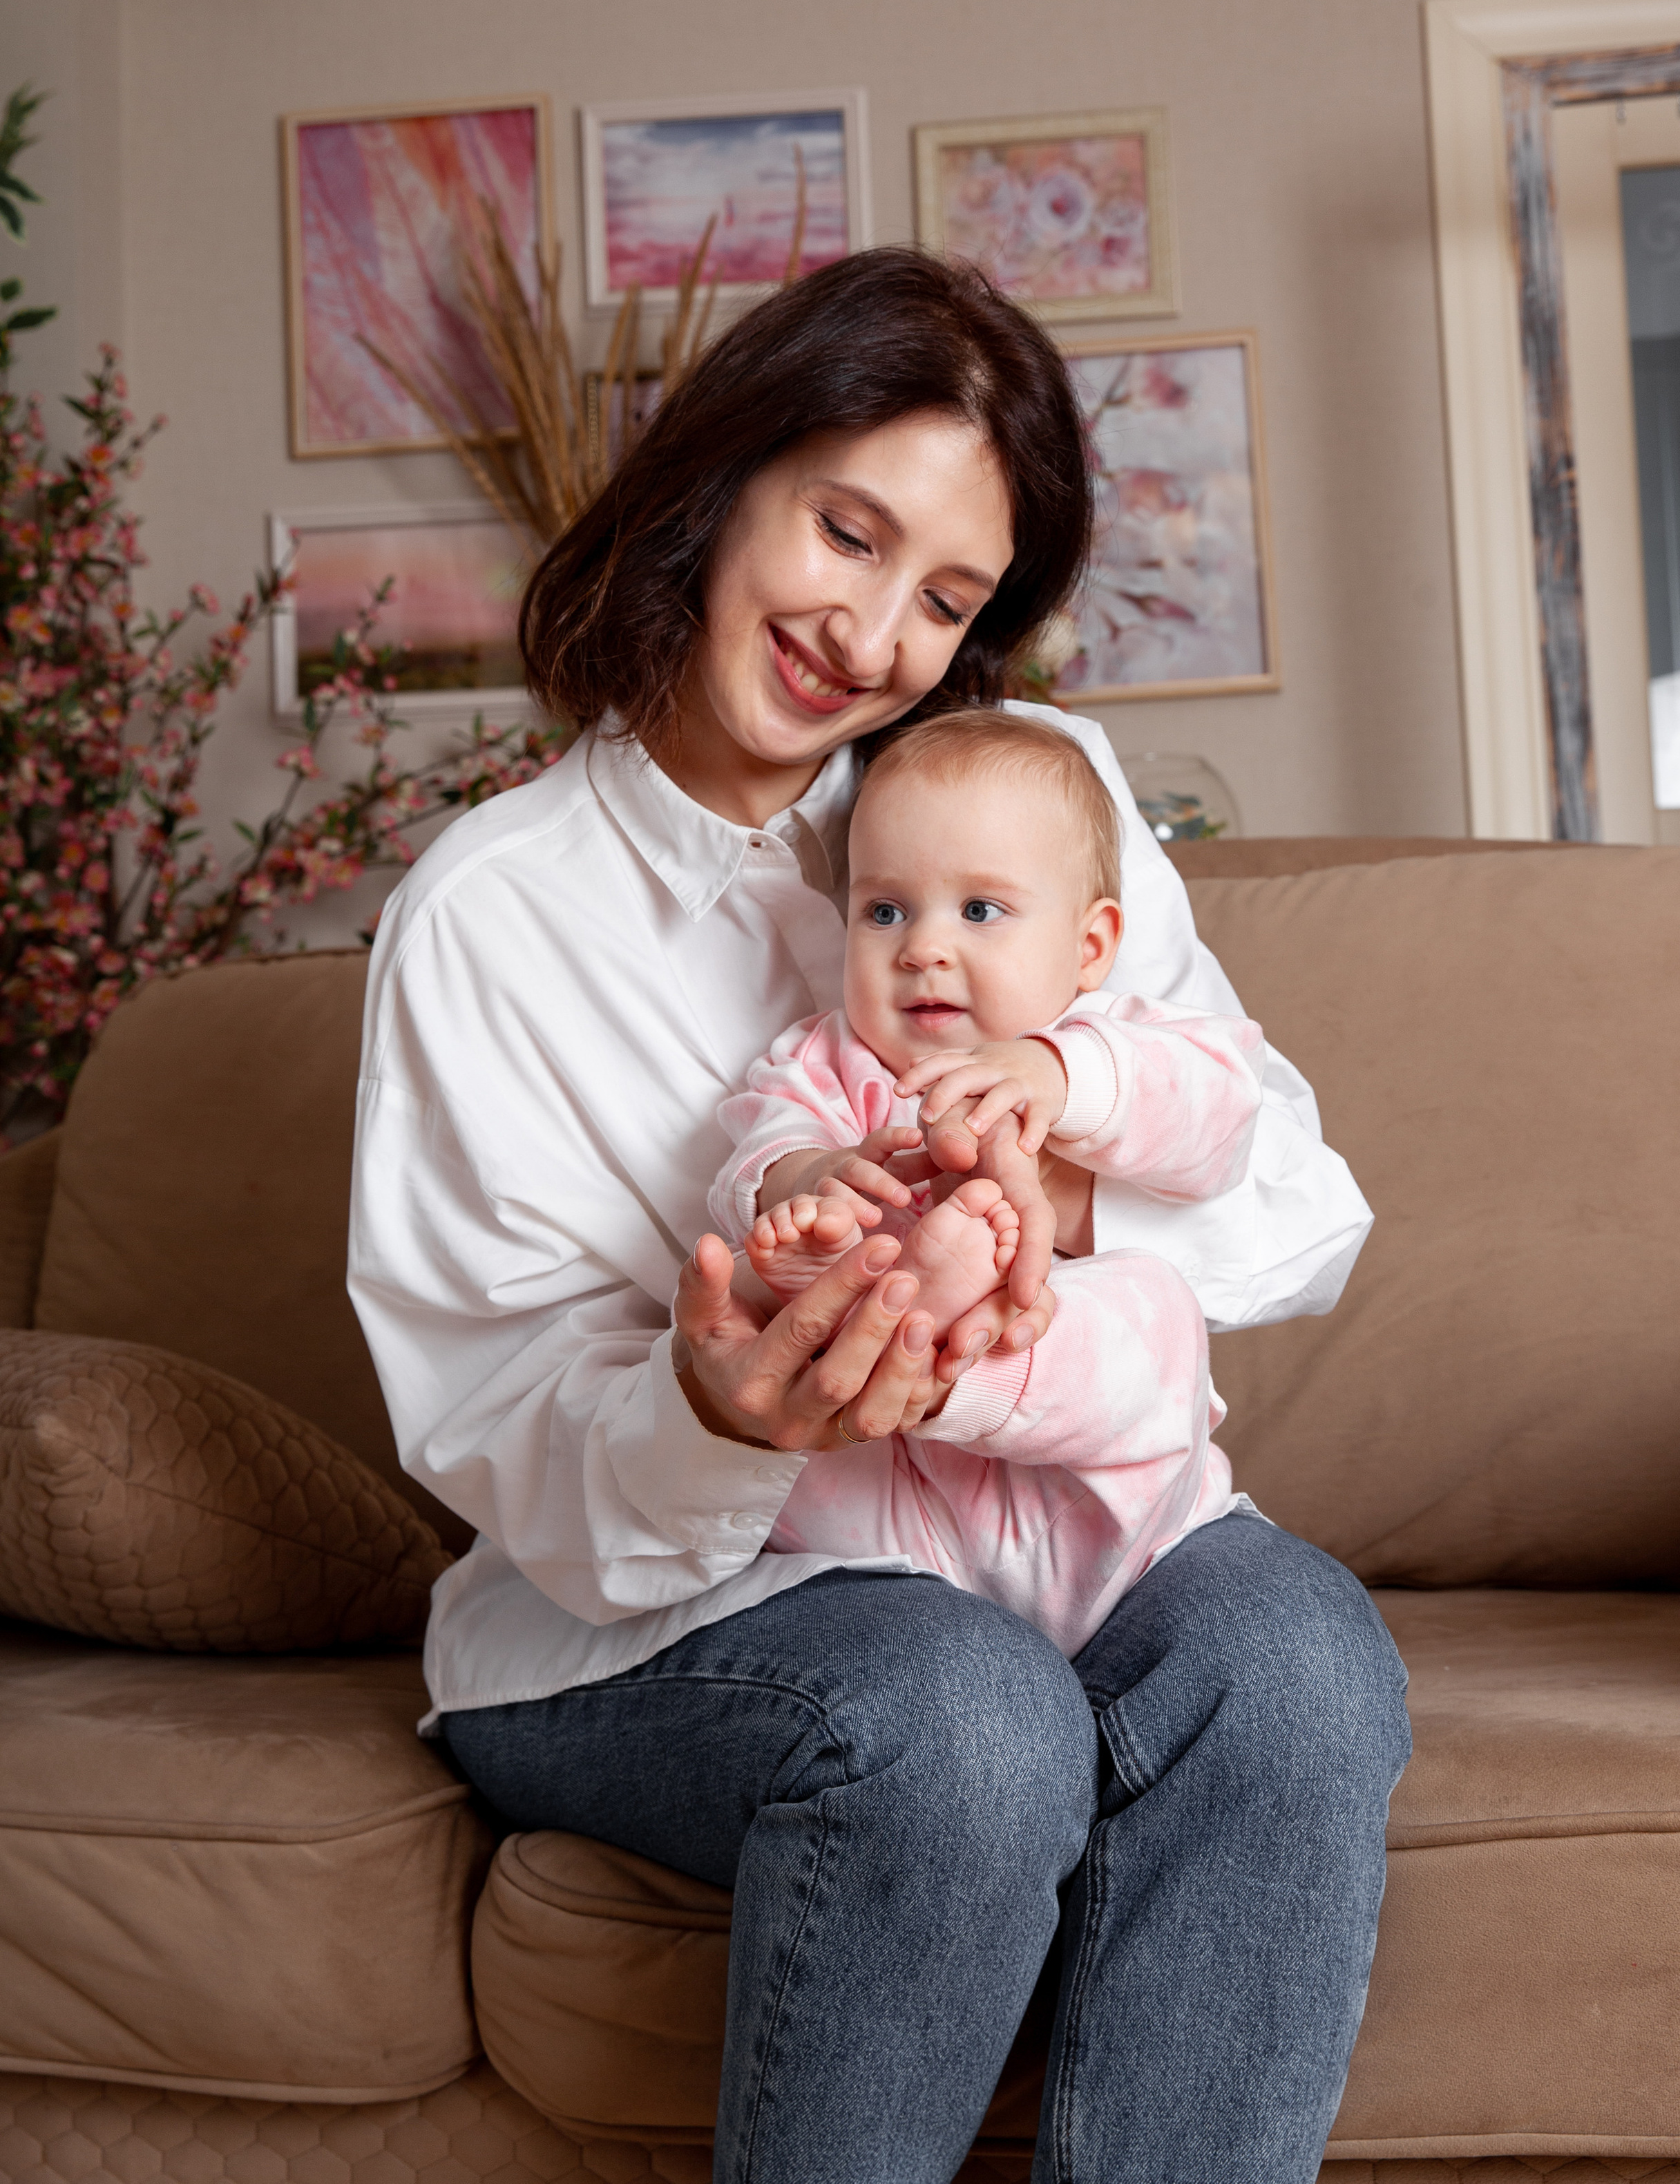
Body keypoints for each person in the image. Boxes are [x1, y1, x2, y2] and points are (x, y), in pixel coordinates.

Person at [346, 247, 1411, 2184]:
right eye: (847, 531)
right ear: (722, 472)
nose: (873, 631)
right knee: (964, 1716)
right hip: (646, 1615)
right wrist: (723, 1411)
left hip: (1055, 1533)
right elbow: (497, 1428)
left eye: (947, 596)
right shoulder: (491, 917)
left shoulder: (1033, 796)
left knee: (1304, 1655)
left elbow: (1292, 1203)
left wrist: (1049, 1198)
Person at [708, 705, 1266, 1660]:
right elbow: (761, 1142)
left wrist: (1061, 1077)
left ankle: (961, 1351)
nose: (922, 947)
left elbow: (1223, 1114)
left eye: (979, 911)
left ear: (1090, 947)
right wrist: (815, 1182)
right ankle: (896, 1293)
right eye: (885, 910)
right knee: (778, 1302)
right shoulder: (827, 1061)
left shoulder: (1112, 1038)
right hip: (892, 1515)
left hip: (1099, 1512)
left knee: (1154, 1304)